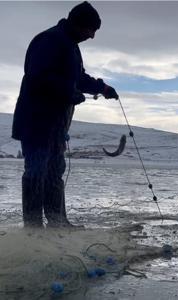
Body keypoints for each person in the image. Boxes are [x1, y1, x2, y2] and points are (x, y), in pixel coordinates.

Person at [12, 1, 118, 228]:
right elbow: (37, 77)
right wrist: (69, 93)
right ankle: (32, 228)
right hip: (36, 122)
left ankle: (58, 221)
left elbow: (78, 77)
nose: (92, 36)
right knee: (36, 171)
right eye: (91, 30)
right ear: (78, 24)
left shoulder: (70, 46)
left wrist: (103, 88)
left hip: (55, 126)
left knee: (54, 172)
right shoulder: (50, 40)